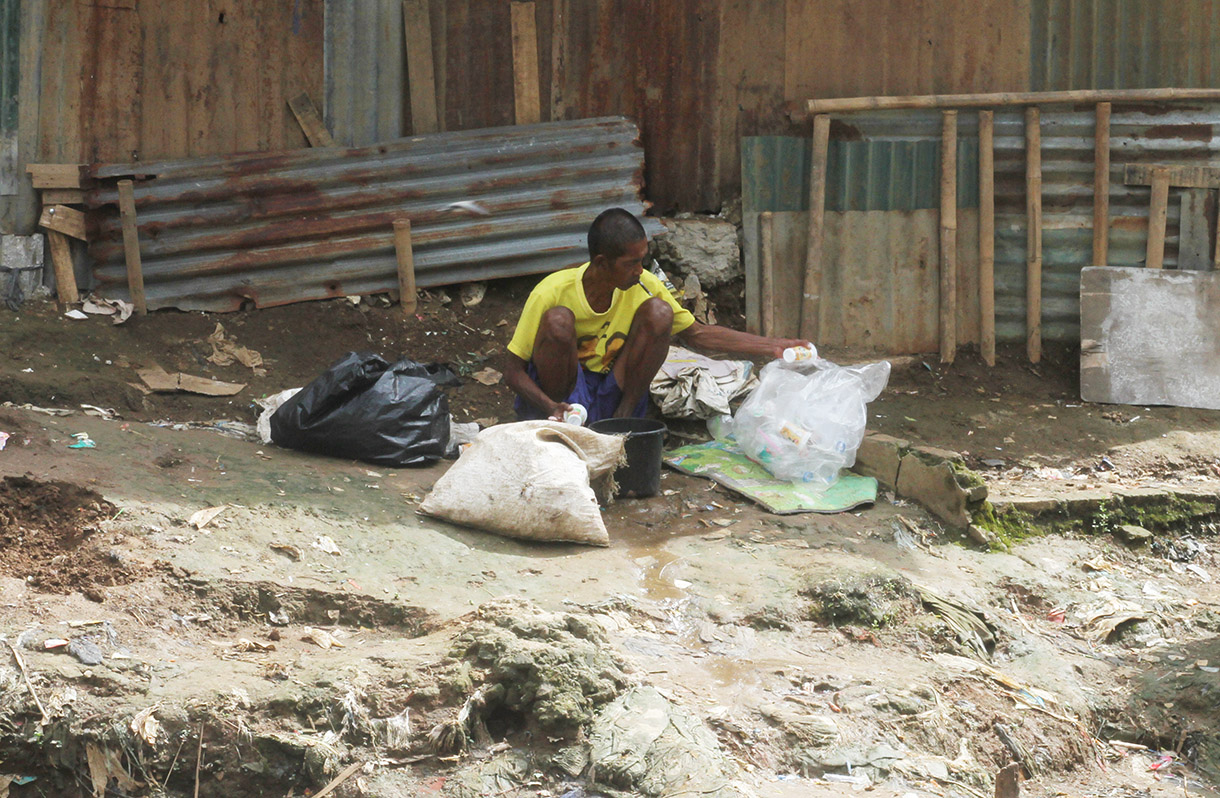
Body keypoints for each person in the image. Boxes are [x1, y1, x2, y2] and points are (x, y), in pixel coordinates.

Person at [504, 208, 808, 424]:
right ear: (601, 262)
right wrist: (550, 405)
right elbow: (513, 371)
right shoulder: (552, 291)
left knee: (660, 313)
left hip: (612, 388)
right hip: (564, 398)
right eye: (631, 263)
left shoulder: (645, 284)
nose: (640, 270)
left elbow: (697, 334)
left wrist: (772, 346)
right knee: (559, 321)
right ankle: (558, 419)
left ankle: (624, 419)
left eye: (642, 261)